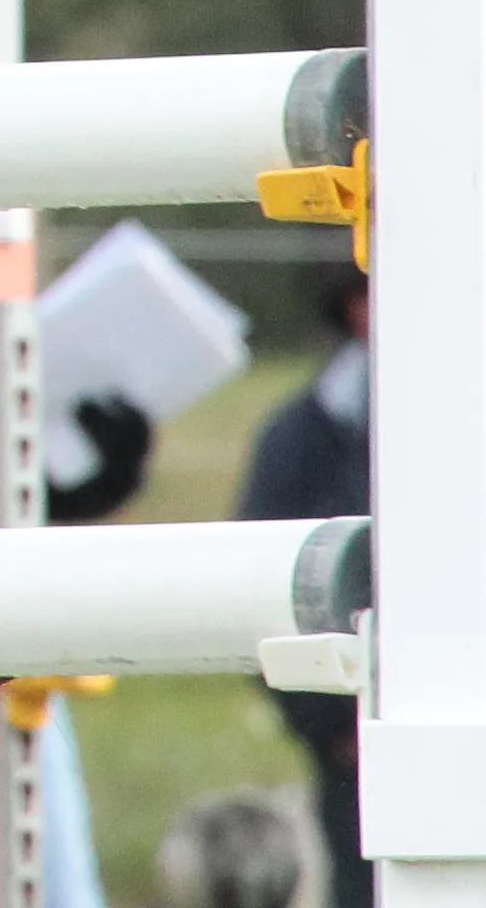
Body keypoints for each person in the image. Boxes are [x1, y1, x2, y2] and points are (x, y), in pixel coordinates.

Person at [243, 266, 369, 894]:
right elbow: (256, 584)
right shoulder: (301, 436)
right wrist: (331, 727)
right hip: (352, 746)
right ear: (355, 307)